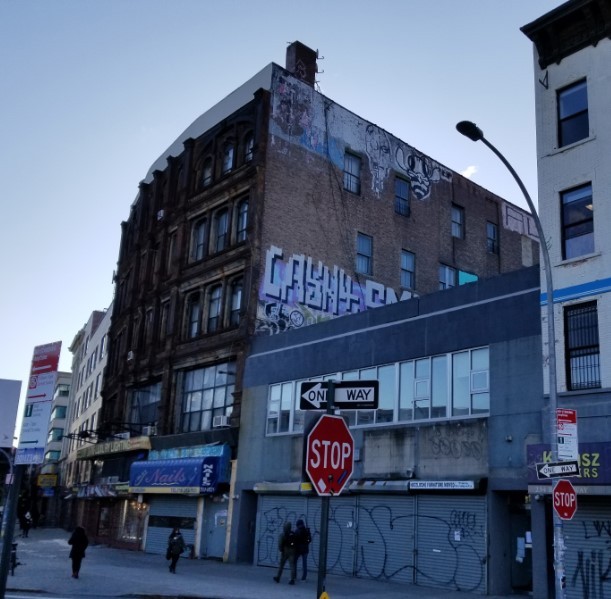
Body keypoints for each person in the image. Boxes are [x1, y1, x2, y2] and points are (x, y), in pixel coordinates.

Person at [273, 521, 296, 585]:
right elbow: (296, 543)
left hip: (285, 551)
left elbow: (280, 544)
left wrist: (281, 550)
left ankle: (278, 577)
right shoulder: (293, 534)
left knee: (281, 565)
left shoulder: (283, 534)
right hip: (292, 551)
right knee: (292, 566)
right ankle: (292, 579)